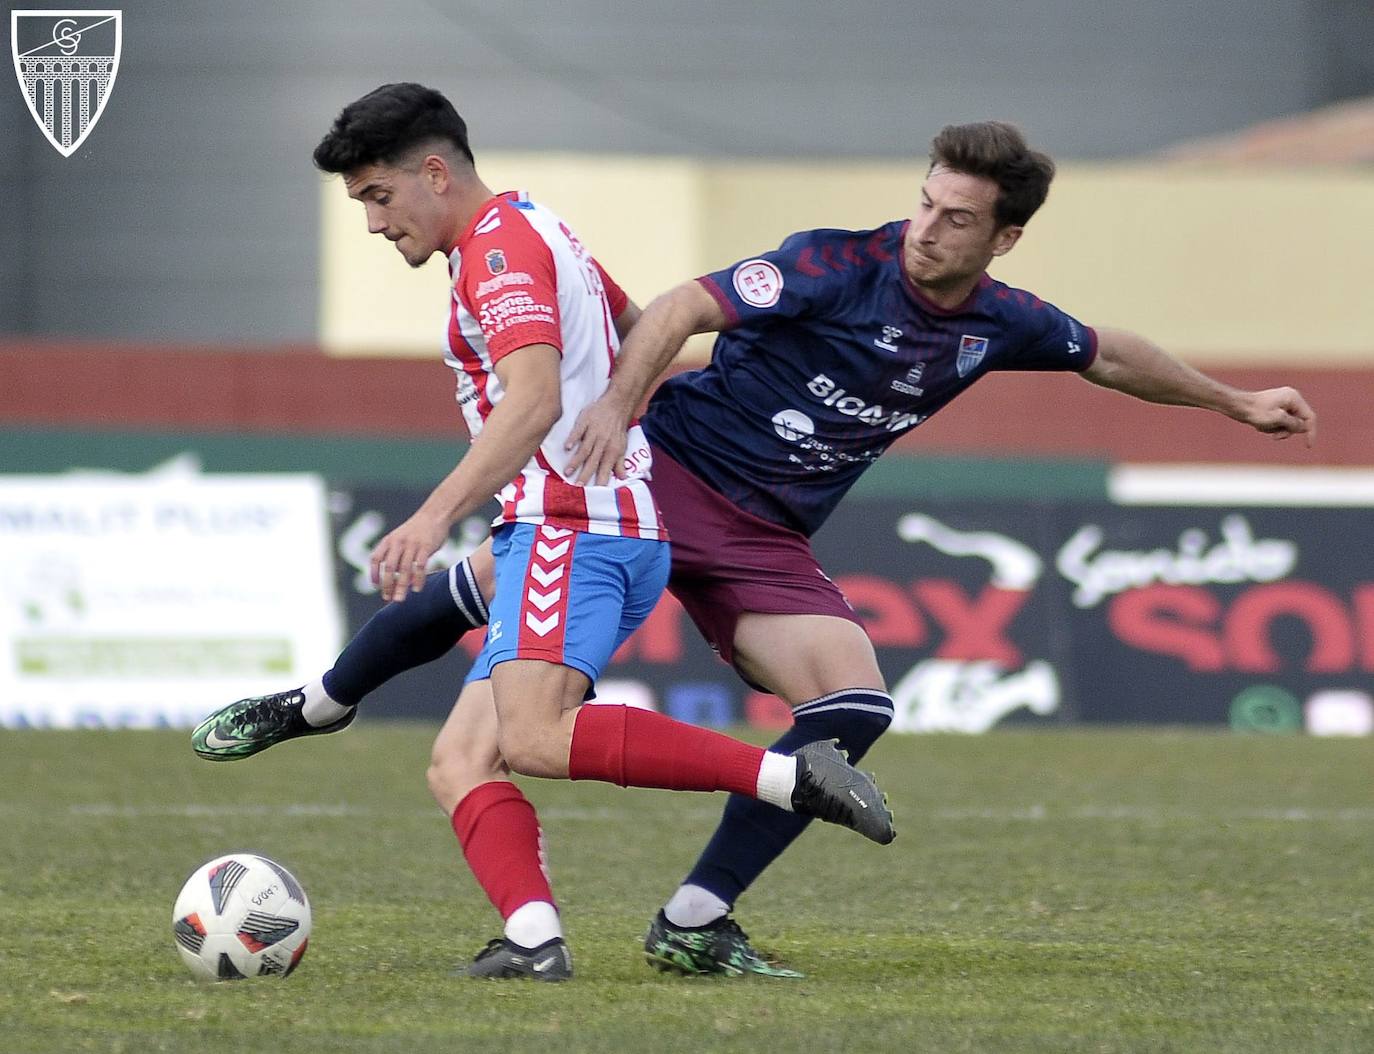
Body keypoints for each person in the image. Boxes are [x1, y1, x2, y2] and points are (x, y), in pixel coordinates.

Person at [197, 116, 1317, 978]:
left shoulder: (996, 322)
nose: (927, 227)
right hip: (669, 473)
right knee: (495, 597)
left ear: (1005, 236)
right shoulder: (837, 263)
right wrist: (615, 415)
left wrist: (1232, 403)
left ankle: (693, 920)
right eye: (925, 203)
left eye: (957, 218)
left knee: (855, 710)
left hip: (767, 539)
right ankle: (319, 701)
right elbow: (680, 305)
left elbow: (1103, 350)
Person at [191, 82, 894, 983]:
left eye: (377, 196)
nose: (372, 222)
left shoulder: (499, 252)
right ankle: (532, 941)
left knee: (533, 738)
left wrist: (435, 514)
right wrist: (621, 421)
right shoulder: (541, 228)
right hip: (582, 522)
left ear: (434, 173)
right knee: (460, 760)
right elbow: (637, 333)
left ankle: (792, 779)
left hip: (574, 526)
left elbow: (532, 398)